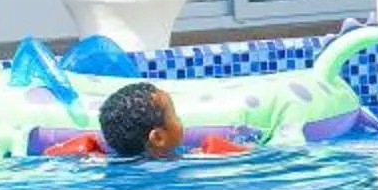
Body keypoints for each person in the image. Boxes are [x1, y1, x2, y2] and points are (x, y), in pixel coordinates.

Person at [42, 81, 257, 160]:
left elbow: (49, 153)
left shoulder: (98, 160)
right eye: (175, 116)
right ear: (158, 137)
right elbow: (250, 153)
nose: (180, 121)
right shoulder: (198, 157)